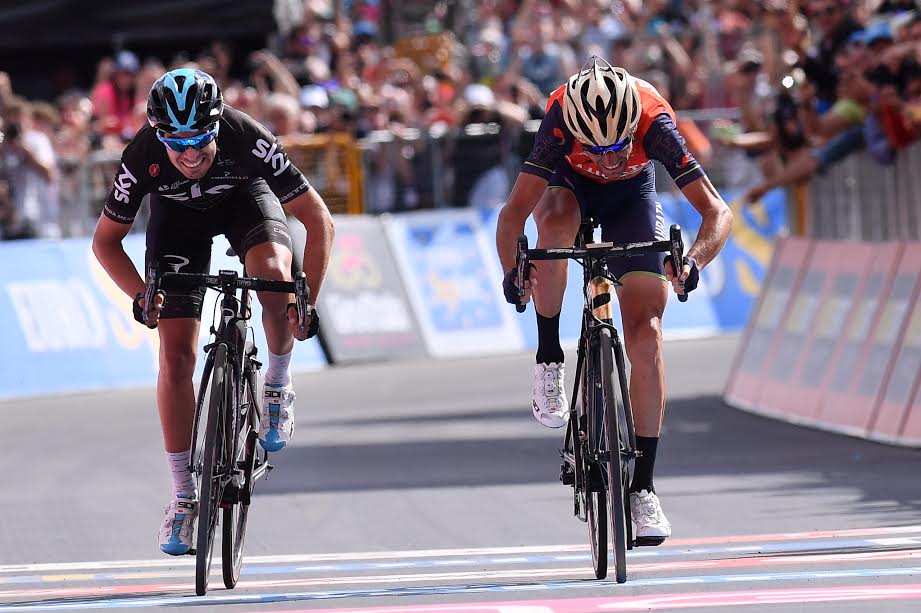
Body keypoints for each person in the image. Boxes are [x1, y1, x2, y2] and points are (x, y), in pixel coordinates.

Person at [91, 69, 334, 556]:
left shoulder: (248, 138)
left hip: (246, 202)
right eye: (175, 141)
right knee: (176, 356)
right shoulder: (141, 156)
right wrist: (142, 295)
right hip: (177, 224)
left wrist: (307, 296)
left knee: (274, 275)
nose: (188, 153)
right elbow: (106, 243)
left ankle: (278, 386)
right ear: (159, 135)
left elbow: (317, 219)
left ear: (218, 124)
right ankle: (183, 496)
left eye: (200, 138)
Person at [495, 57, 732, 544]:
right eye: (596, 150)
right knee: (552, 222)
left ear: (633, 129)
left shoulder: (655, 121)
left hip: (632, 198)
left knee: (646, 336)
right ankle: (548, 356)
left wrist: (693, 263)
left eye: (619, 147)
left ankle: (643, 487)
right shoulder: (560, 121)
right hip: (569, 188)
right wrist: (511, 274)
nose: (608, 161)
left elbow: (717, 212)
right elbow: (513, 215)